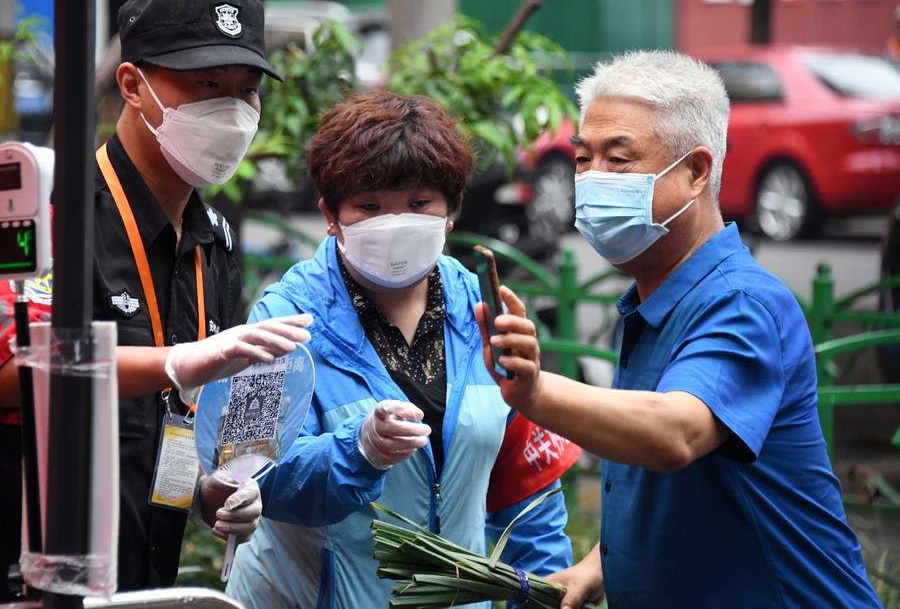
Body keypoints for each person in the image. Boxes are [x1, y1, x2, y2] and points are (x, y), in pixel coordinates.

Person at [476, 50, 881, 608]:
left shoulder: (742, 304)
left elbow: (675, 433)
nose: (593, 180)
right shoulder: (655, 299)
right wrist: (600, 565)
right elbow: (671, 481)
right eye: (583, 158)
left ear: (695, 172)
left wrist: (537, 392)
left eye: (619, 160)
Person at [0, 0, 314, 598]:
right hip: (30, 578)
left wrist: (215, 489)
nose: (231, 110)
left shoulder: (214, 240)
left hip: (146, 583)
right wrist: (174, 362)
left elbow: (183, 425)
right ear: (132, 85)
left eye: (245, 89)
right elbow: (12, 362)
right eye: (205, 84)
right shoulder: (55, 209)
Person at [225, 90, 580, 608]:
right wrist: (358, 449)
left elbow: (525, 489)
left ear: (449, 210)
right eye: (369, 206)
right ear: (331, 213)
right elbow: (251, 472)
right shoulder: (280, 316)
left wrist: (547, 590)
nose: (393, 224)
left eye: (418, 204)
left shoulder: (485, 309)